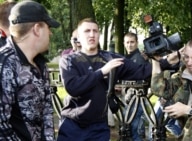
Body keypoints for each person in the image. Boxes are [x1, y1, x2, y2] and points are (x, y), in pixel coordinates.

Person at [57, 18, 179, 141]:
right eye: (87, 31)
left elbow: (141, 71)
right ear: (78, 36)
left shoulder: (111, 58)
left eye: (95, 31)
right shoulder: (69, 60)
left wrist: (165, 62)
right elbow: (73, 87)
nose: (92, 34)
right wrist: (102, 71)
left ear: (99, 34)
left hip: (98, 127)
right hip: (72, 124)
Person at [0, 0, 60, 140]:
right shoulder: (4, 63)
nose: (50, 33)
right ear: (37, 29)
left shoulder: (41, 64)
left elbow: (47, 110)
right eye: (48, 27)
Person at [122, 32, 150, 140]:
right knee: (130, 131)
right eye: (127, 42)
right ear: (124, 43)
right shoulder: (127, 58)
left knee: (135, 132)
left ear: (137, 43)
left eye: (132, 42)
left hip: (137, 100)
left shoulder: (139, 59)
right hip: (129, 99)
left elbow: (143, 79)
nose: (130, 45)